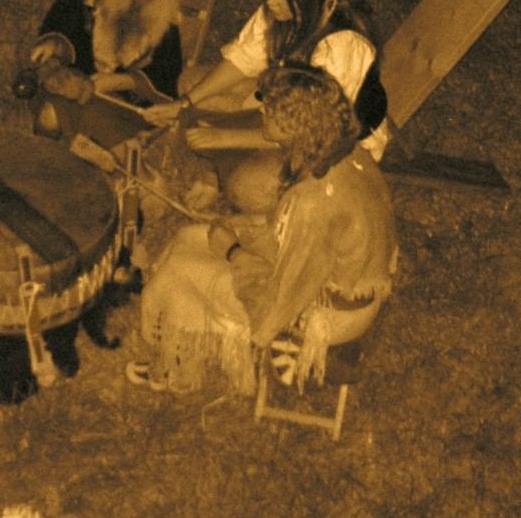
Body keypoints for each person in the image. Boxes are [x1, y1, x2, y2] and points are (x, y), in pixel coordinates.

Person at [128, 65, 398, 395]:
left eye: (267, 109)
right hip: (343, 277)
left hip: (331, 312)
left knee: (182, 272)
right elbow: (302, 240)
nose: (262, 113)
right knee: (188, 237)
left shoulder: (313, 202)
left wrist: (234, 252)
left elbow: (277, 304)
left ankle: (180, 363)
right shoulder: (346, 151)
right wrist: (241, 229)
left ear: (291, 125)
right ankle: (179, 345)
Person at [154, 0, 388, 212]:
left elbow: (311, 133)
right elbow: (243, 59)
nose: (270, 0)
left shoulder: (342, 46)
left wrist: (226, 136)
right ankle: (220, 166)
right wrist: (185, 102)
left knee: (247, 187)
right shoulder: (282, 12)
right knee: (192, 83)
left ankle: (225, 174)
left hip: (332, 144)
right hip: (283, 110)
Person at [25, 0, 184, 146]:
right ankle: (57, 155)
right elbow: (62, 25)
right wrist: (55, 44)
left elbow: (165, 74)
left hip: (131, 105)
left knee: (84, 118)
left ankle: (93, 153)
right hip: (81, 88)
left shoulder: (155, 6)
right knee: (49, 114)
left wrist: (117, 82)